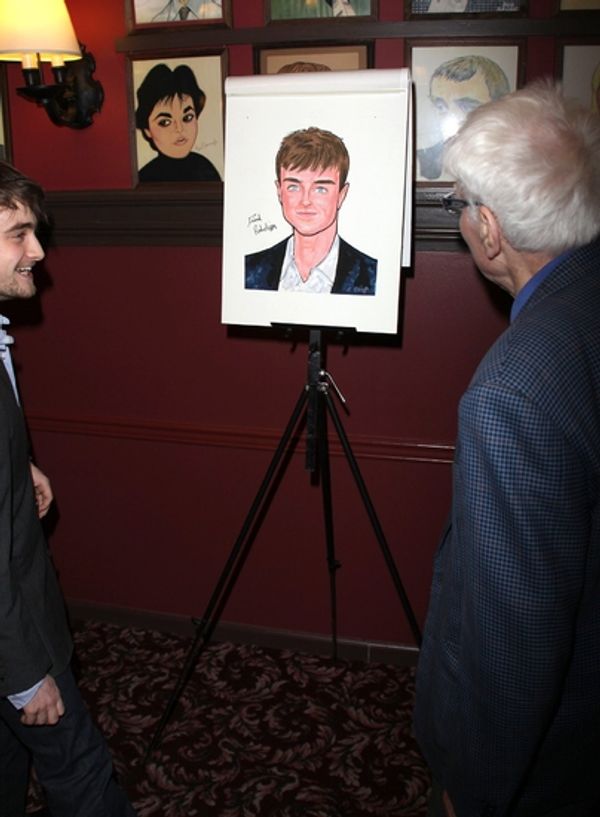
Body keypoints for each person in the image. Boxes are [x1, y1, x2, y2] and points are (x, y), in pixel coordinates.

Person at [413, 81, 600, 817]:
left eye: (459, 203)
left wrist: (473, 787)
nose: (459, 218)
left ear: (488, 230)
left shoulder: (513, 390)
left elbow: (513, 639)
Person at [0, 162, 137, 817]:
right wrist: (26, 675)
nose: (38, 251)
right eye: (17, 234)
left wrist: (18, 465)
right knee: (83, 780)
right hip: (14, 642)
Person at [245, 127, 377, 295]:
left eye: (320, 189)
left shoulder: (372, 276)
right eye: (293, 187)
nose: (305, 200)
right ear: (279, 191)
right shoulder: (250, 269)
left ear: (341, 195)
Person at [417, 54, 510, 180]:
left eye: (467, 107)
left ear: (500, 109)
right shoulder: (421, 165)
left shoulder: (517, 165)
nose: (455, 117)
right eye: (441, 107)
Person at [135, 63, 221, 183]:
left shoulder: (205, 170)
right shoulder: (145, 178)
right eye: (165, 122)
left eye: (187, 117)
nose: (179, 128)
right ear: (147, 130)